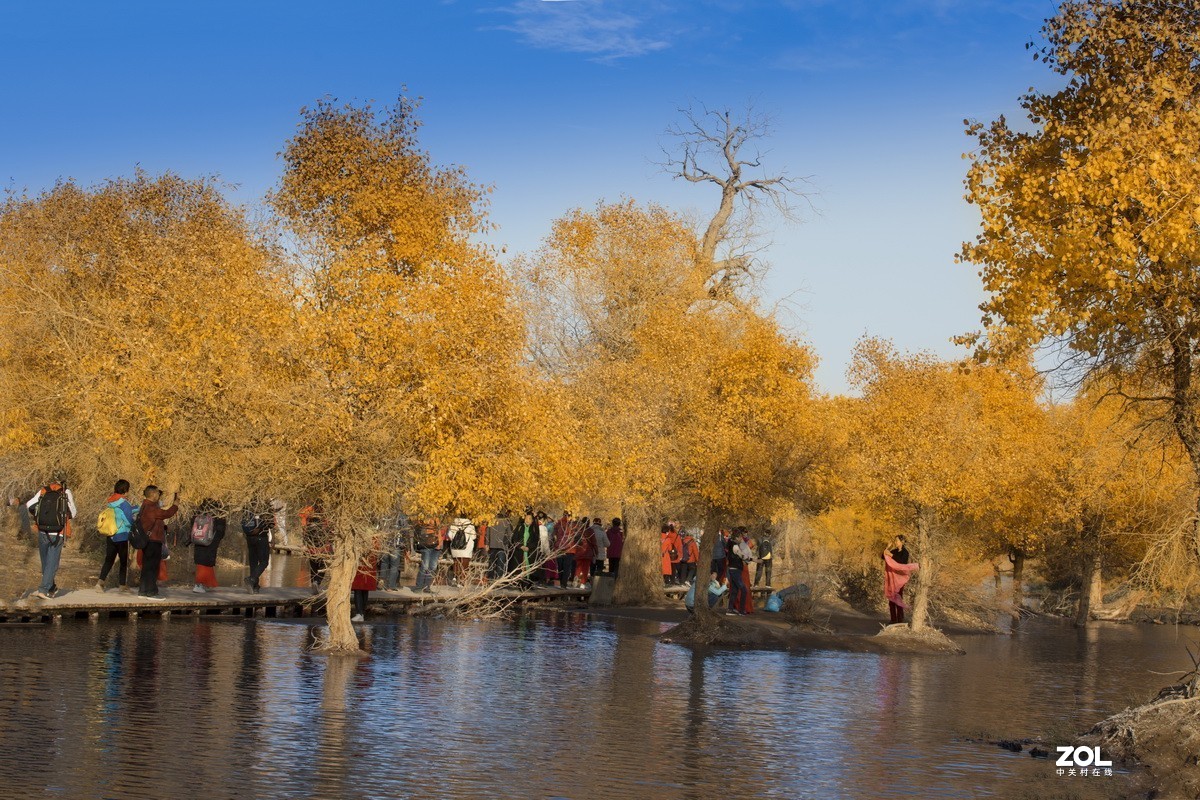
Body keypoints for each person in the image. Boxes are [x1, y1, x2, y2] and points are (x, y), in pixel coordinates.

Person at [26, 475, 77, 599]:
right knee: (52, 563)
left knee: (45, 562)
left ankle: (51, 587)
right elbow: (73, 513)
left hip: (43, 530)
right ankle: (43, 590)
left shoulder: (44, 490)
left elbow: (29, 505)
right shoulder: (66, 492)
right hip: (58, 532)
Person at [136, 485, 178, 599]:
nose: (159, 496)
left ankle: (143, 591)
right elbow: (167, 514)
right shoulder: (151, 507)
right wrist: (175, 505)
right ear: (153, 494)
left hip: (148, 540)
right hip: (153, 541)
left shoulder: (145, 506)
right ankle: (151, 592)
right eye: (158, 494)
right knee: (152, 567)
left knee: (147, 566)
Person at [97, 479, 138, 593]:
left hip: (111, 534)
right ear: (125, 490)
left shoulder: (111, 502)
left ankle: (100, 583)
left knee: (108, 560)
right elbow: (128, 519)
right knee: (124, 561)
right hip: (122, 535)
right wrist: (134, 524)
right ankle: (122, 585)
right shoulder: (124, 503)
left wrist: (134, 508)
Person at [190, 498, 226, 593]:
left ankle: (203, 584)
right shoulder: (219, 513)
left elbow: (192, 524)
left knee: (201, 562)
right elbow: (221, 530)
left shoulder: (199, 511)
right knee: (206, 562)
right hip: (210, 541)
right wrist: (216, 540)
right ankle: (200, 584)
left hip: (198, 539)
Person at [882, 534, 920, 624]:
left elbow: (901, 562)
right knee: (891, 599)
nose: (896, 542)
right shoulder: (894, 551)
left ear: (902, 542)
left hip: (900, 579)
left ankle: (900, 619)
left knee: (898, 598)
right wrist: (887, 548)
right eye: (895, 541)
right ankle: (893, 619)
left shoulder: (905, 552)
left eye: (897, 541)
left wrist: (890, 554)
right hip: (893, 578)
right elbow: (883, 557)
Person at [241, 499, 274, 594]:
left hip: (249, 537)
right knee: (264, 562)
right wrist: (273, 538)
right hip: (261, 537)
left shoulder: (247, 505)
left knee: (253, 562)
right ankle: (251, 579)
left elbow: (243, 521)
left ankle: (254, 586)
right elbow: (270, 524)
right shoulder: (265, 506)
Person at [301, 500, 331, 594]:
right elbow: (329, 530)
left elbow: (304, 528)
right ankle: (317, 582)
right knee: (322, 566)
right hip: (323, 547)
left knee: (313, 567)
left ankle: (314, 583)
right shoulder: (325, 515)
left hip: (311, 545)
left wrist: (305, 543)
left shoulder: (309, 514)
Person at [379, 511, 411, 591]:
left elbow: (378, 529)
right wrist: (407, 547)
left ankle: (382, 582)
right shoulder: (402, 516)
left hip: (384, 544)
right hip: (395, 545)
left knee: (384, 563)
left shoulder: (384, 515)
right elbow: (406, 532)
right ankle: (390, 586)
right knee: (394, 566)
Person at [447, 514, 477, 587]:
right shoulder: (470, 525)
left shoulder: (453, 524)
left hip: (455, 548)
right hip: (466, 548)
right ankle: (462, 581)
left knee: (456, 563)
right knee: (464, 565)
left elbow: (449, 535)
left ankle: (455, 578)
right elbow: (473, 536)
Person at [413, 517, 442, 593]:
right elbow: (418, 528)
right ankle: (418, 587)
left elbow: (438, 531)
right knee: (424, 566)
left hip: (436, 545)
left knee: (433, 567)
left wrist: (440, 543)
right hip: (426, 544)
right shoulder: (422, 517)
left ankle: (427, 587)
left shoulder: (437, 517)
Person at [725, 527, 749, 614]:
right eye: (740, 537)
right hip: (735, 569)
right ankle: (741, 610)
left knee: (734, 590)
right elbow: (741, 555)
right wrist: (751, 559)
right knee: (743, 589)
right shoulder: (735, 545)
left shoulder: (730, 543)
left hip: (733, 568)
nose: (741, 539)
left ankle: (730, 609)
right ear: (736, 537)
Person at [512, 511, 539, 585]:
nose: (527, 520)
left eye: (529, 518)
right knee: (519, 567)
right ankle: (518, 582)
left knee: (529, 568)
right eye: (526, 518)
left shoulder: (534, 529)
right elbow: (514, 539)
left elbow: (536, 541)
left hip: (529, 553)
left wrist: (528, 547)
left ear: (532, 520)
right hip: (519, 552)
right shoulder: (520, 527)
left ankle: (528, 582)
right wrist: (520, 546)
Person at [487, 511, 514, 581]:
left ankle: (490, 578)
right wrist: (509, 544)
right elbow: (509, 535)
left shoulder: (491, 521)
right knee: (500, 564)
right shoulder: (506, 522)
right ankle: (498, 580)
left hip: (492, 545)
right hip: (502, 546)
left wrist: (487, 543)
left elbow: (487, 533)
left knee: (491, 563)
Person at [554, 511, 577, 589]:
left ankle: (561, 583)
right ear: (570, 516)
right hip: (570, 549)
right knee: (567, 567)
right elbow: (577, 537)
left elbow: (554, 536)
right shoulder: (573, 525)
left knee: (560, 567)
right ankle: (564, 584)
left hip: (559, 548)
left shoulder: (558, 524)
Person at [573, 519, 596, 589]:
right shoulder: (591, 531)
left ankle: (576, 579)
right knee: (585, 569)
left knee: (578, 567)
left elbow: (575, 541)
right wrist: (596, 552)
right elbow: (594, 542)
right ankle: (583, 583)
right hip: (588, 552)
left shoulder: (578, 530)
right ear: (589, 523)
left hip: (579, 551)